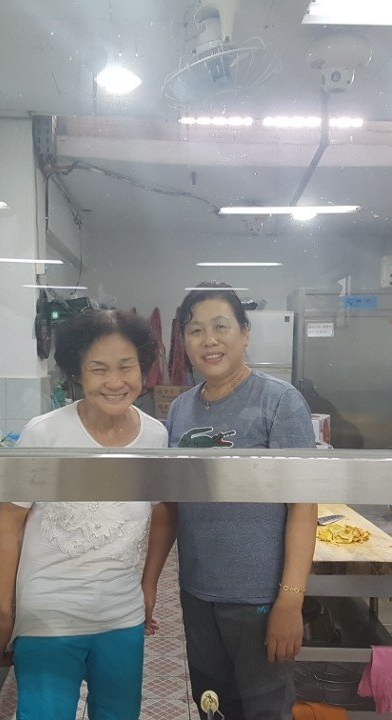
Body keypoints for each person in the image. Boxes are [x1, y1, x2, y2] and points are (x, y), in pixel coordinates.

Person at [142, 282, 317, 720]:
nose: (209, 340)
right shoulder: (181, 409)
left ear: (245, 333)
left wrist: (290, 601)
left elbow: (303, 505)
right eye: (196, 330)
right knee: (213, 707)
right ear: (184, 343)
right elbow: (171, 506)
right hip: (198, 593)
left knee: (264, 710)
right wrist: (150, 582)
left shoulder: (279, 401)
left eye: (221, 327)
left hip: (259, 598)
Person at [0, 309, 171, 720]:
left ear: (142, 368)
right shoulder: (45, 433)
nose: (115, 381)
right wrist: (5, 617)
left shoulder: (156, 436)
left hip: (121, 616)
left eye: (126, 367)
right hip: (48, 617)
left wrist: (149, 586)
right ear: (77, 373)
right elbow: (9, 526)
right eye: (99, 369)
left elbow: (163, 514)